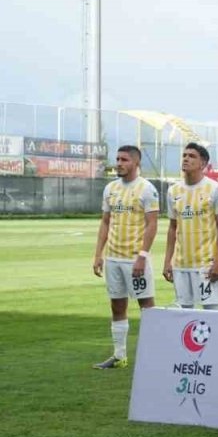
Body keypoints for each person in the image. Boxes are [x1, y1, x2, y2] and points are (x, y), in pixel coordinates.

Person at [91, 145, 159, 369]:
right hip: (113, 259)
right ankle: (119, 356)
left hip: (135, 259)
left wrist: (142, 256)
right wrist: (98, 254)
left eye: (124, 160)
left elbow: (152, 225)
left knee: (147, 307)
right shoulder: (110, 188)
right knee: (117, 306)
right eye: (118, 159)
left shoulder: (147, 189)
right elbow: (105, 222)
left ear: (136, 163)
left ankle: (154, 355)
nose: (119, 163)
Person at [163, 143, 218, 310]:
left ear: (203, 163)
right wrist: (167, 261)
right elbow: (172, 227)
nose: (186, 158)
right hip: (180, 264)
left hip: (206, 265)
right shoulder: (173, 191)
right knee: (184, 315)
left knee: (211, 314)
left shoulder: (216, 189)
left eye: (192, 156)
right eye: (184, 155)